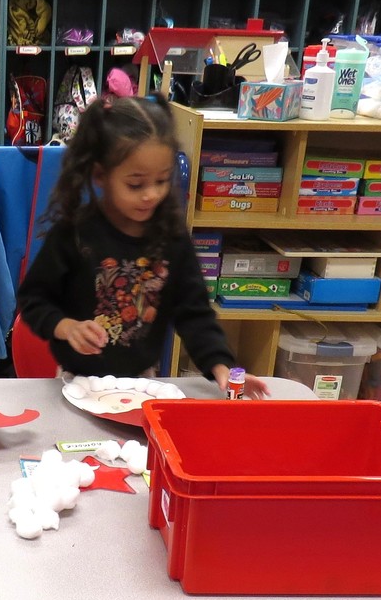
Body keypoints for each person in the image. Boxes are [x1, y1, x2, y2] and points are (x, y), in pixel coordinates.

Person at [17, 93, 268, 397]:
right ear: (100, 174)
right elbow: (34, 299)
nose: (151, 194)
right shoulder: (75, 233)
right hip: (75, 382)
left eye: (162, 181)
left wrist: (222, 368)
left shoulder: (171, 237)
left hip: (142, 382)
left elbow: (194, 312)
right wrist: (67, 327)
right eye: (135, 184)